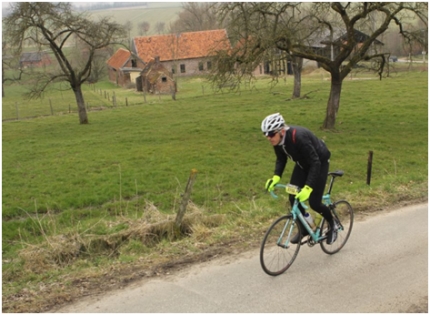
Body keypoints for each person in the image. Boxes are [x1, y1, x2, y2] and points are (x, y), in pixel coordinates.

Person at [261, 113, 337, 244]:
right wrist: (276, 177)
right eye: (266, 134)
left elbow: (315, 163)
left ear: (281, 131)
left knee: (315, 203)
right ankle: (305, 228)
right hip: (302, 165)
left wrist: (308, 187)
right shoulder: (278, 141)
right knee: (293, 196)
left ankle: (332, 225)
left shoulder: (299, 137)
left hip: (319, 162)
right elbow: (281, 159)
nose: (268, 138)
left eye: (271, 134)